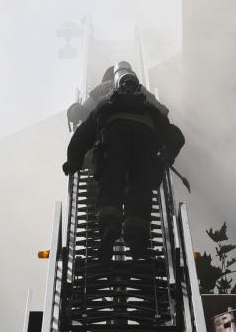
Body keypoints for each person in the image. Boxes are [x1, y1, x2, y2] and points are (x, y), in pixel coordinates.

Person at [64, 61, 185, 261]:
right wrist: (165, 157)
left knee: (111, 185)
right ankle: (136, 238)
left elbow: (83, 133)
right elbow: (170, 125)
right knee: (139, 188)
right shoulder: (145, 99)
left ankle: (110, 227)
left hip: (113, 141)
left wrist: (73, 161)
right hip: (145, 144)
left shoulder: (103, 98)